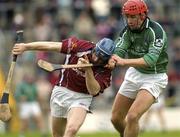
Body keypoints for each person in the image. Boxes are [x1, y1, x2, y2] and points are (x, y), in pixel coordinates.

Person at [12, 36, 115, 137]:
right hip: (61, 90)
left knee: (71, 129)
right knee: (57, 134)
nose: (96, 58)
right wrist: (26, 47)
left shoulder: (106, 70)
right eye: (96, 53)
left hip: (82, 97)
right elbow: (51, 46)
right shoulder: (82, 46)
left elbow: (93, 91)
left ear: (107, 58)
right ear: (95, 48)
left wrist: (88, 70)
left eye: (101, 58)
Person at [107, 0, 169, 137]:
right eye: (127, 16)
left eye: (132, 16)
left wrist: (123, 62)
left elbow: (150, 60)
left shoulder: (156, 31)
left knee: (132, 116)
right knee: (116, 118)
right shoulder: (127, 31)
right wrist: (113, 59)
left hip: (154, 77)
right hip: (135, 74)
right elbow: (120, 50)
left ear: (143, 15)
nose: (129, 20)